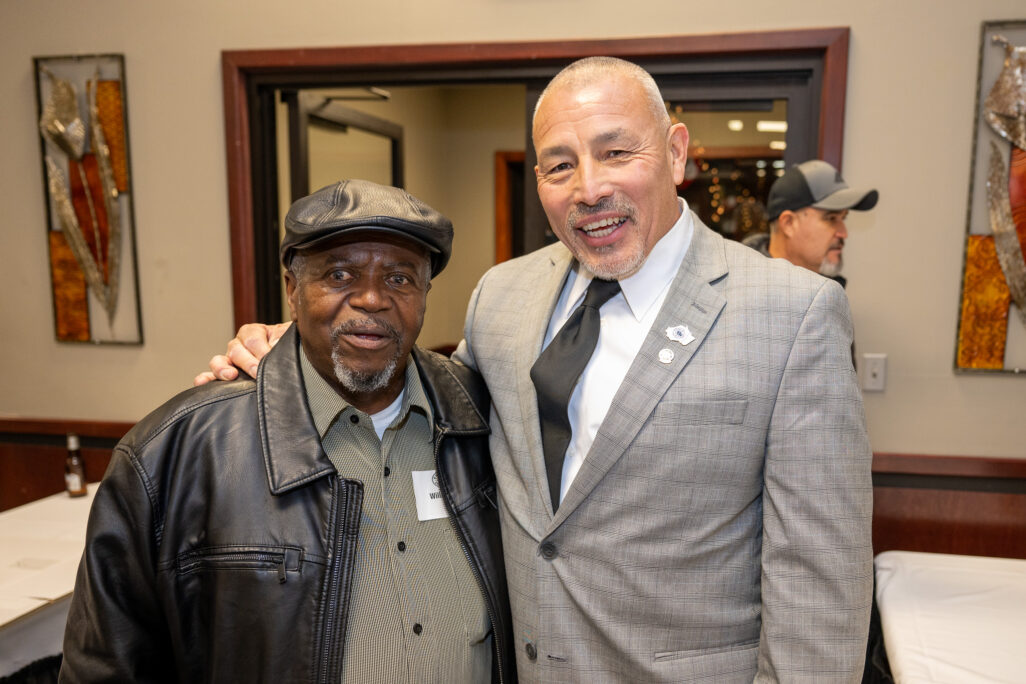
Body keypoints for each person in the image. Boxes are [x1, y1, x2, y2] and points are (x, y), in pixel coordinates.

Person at [205, 57, 873, 683]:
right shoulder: (503, 295)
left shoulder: (793, 313)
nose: (590, 188)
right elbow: (432, 404)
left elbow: (820, 585)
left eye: (617, 152)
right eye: (559, 166)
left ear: (675, 153)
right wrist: (302, 348)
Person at [61, 180, 515, 683]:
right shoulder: (174, 453)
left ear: (424, 296)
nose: (372, 298)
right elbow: (105, 666)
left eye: (400, 278)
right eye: (339, 274)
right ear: (292, 291)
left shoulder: (484, 419)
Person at [743, 159, 878, 287]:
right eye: (831, 218)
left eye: (843, 218)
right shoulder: (742, 292)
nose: (844, 233)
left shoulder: (829, 292)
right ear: (789, 223)